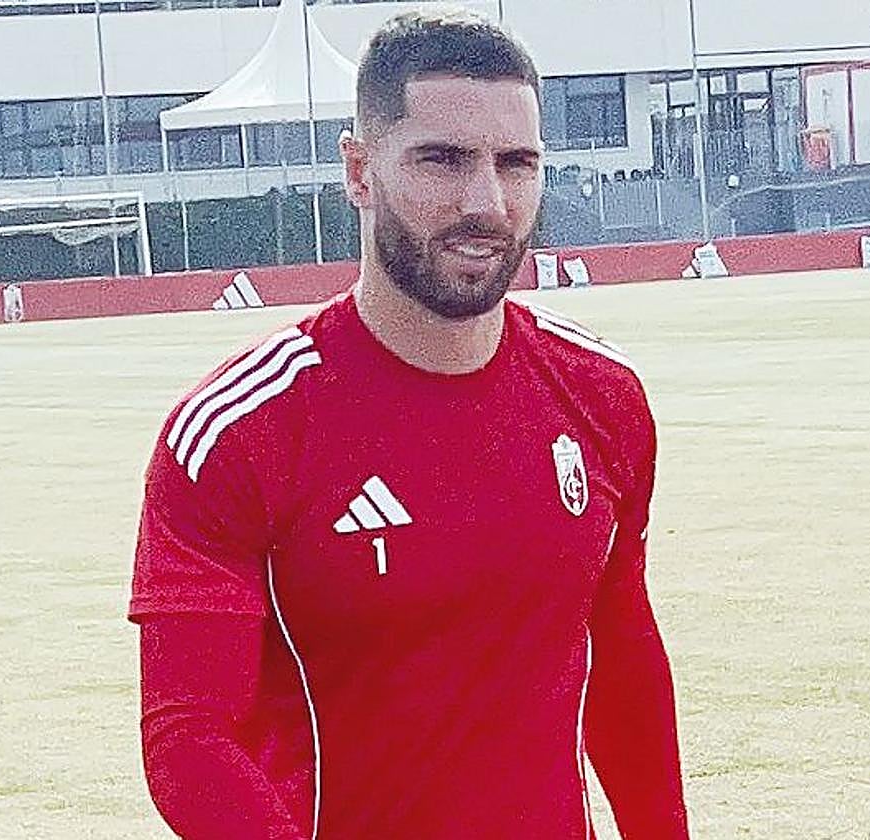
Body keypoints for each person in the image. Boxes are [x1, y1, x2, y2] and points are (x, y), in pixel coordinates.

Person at [129, 10, 689, 839]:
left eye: (517, 163)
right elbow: (188, 735)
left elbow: (623, 654)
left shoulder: (603, 397)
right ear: (359, 170)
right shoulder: (237, 431)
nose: (487, 203)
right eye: (443, 159)